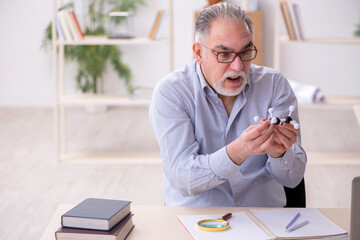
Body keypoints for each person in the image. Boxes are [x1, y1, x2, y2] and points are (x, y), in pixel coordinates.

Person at [149, 2, 306, 207]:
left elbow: (293, 179)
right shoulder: (171, 92)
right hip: (199, 224)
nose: (238, 66)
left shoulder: (274, 85)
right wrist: (239, 151)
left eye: (245, 52)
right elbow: (182, 177)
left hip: (266, 222)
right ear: (198, 53)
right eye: (224, 54)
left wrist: (280, 153)